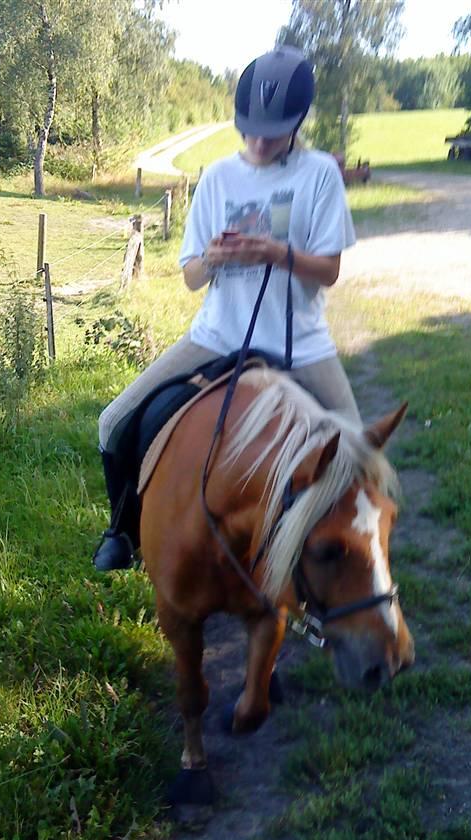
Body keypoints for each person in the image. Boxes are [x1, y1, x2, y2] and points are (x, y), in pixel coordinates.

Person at [93, 45, 360, 571]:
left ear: (298, 122)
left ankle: (348, 562)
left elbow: (328, 269)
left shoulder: (319, 176)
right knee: (111, 421)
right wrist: (213, 258)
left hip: (298, 342)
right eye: (250, 129)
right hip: (216, 336)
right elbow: (191, 276)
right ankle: (124, 531)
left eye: (273, 130)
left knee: (359, 448)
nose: (259, 141)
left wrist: (273, 252)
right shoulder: (216, 178)